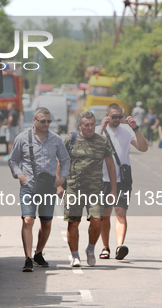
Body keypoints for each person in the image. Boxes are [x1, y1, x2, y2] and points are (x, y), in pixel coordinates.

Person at [9, 107, 71, 272]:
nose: (46, 124)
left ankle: (38, 253)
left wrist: (62, 180)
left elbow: (65, 160)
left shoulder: (56, 139)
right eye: (43, 121)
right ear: (34, 121)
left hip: (48, 188)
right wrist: (20, 176)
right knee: (28, 220)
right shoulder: (22, 138)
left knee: (47, 222)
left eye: (49, 121)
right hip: (29, 187)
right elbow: (13, 161)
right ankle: (28, 258)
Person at [62, 111, 117, 268]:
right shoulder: (70, 140)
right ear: (80, 125)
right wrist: (59, 184)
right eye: (86, 125)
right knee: (73, 223)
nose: (90, 127)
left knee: (96, 221)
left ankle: (91, 250)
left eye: (92, 124)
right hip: (74, 188)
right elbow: (61, 162)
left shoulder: (102, 142)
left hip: (95, 189)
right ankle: (75, 256)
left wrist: (113, 189)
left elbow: (111, 166)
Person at [98, 103, 148, 261]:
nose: (118, 119)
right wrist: (100, 129)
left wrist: (135, 128)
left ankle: (120, 246)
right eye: (114, 116)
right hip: (103, 179)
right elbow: (92, 148)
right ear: (107, 115)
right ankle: (105, 247)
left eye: (120, 116)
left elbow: (143, 148)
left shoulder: (127, 130)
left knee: (120, 213)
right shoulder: (100, 131)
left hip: (122, 180)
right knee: (105, 215)